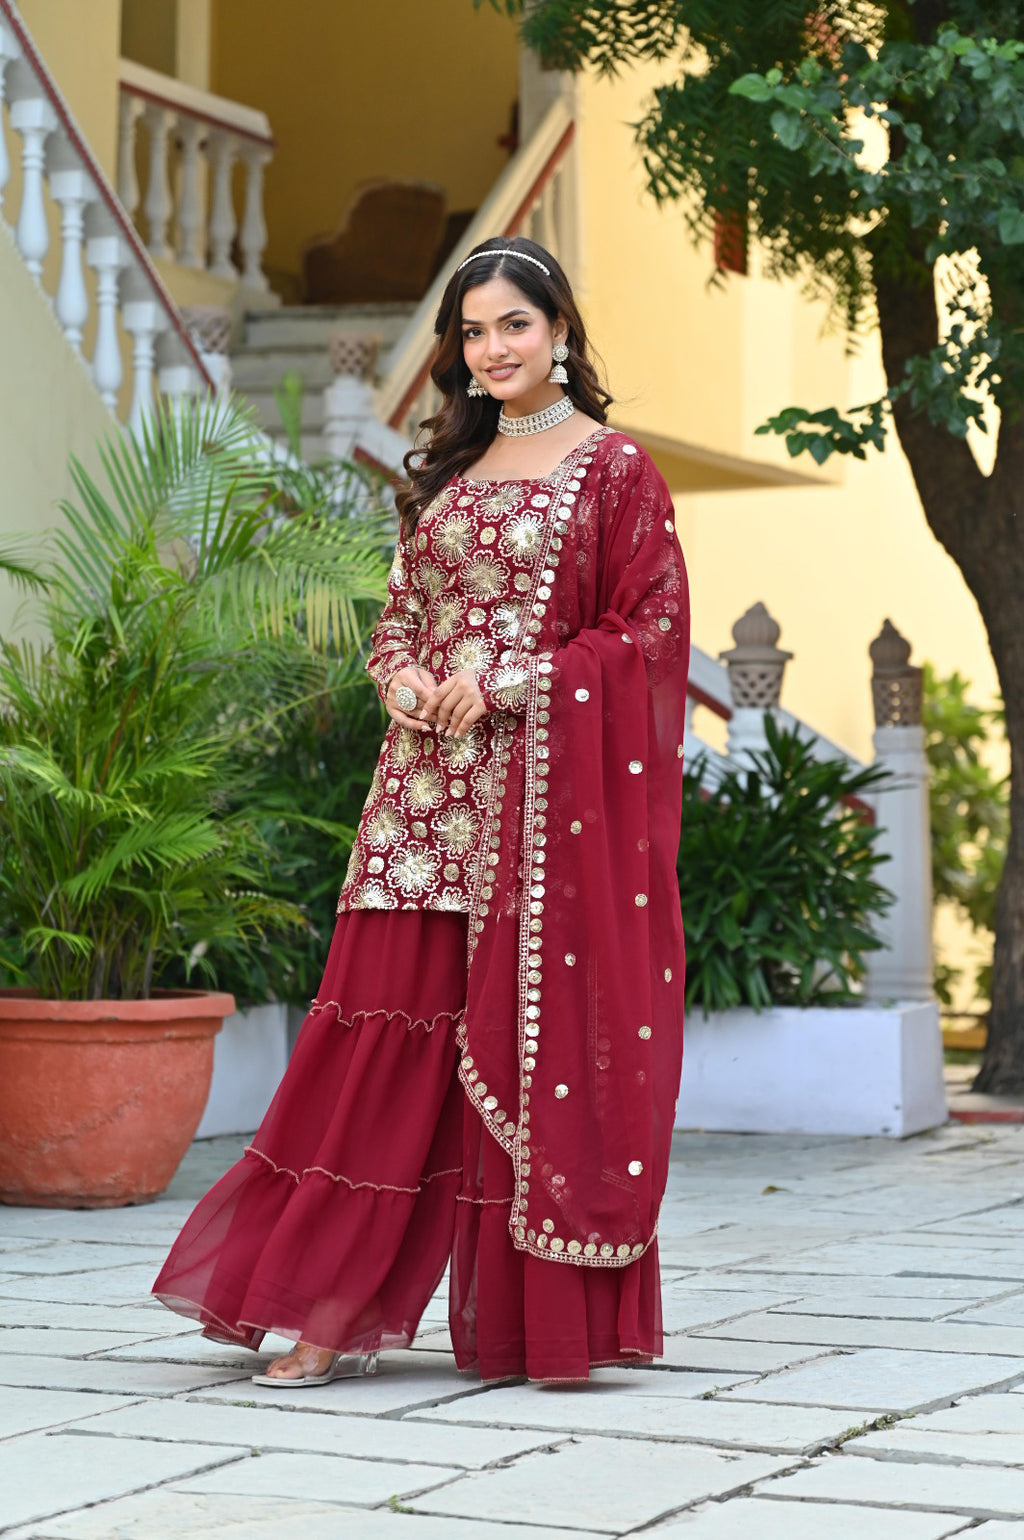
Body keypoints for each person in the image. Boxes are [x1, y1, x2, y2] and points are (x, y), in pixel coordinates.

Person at [152, 235, 690, 1386]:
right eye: (474, 330)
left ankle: (526, 1321)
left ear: (560, 332)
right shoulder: (445, 472)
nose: (493, 349)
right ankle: (322, 1306)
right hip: (418, 799)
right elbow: (399, 621)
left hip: (535, 812)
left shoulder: (613, 470)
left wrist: (502, 684)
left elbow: (645, 635)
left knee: (503, 1048)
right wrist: (398, 679)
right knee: (377, 1046)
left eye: (516, 326)